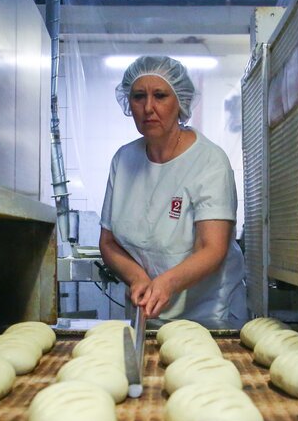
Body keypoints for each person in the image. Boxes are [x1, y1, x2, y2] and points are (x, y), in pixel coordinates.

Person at [99, 55, 247, 328]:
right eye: (139, 96)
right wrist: (137, 278)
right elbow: (108, 243)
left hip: (209, 319)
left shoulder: (209, 161)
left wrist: (165, 284)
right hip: (149, 315)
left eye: (160, 95)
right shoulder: (123, 160)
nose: (148, 107)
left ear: (180, 101)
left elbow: (212, 248)